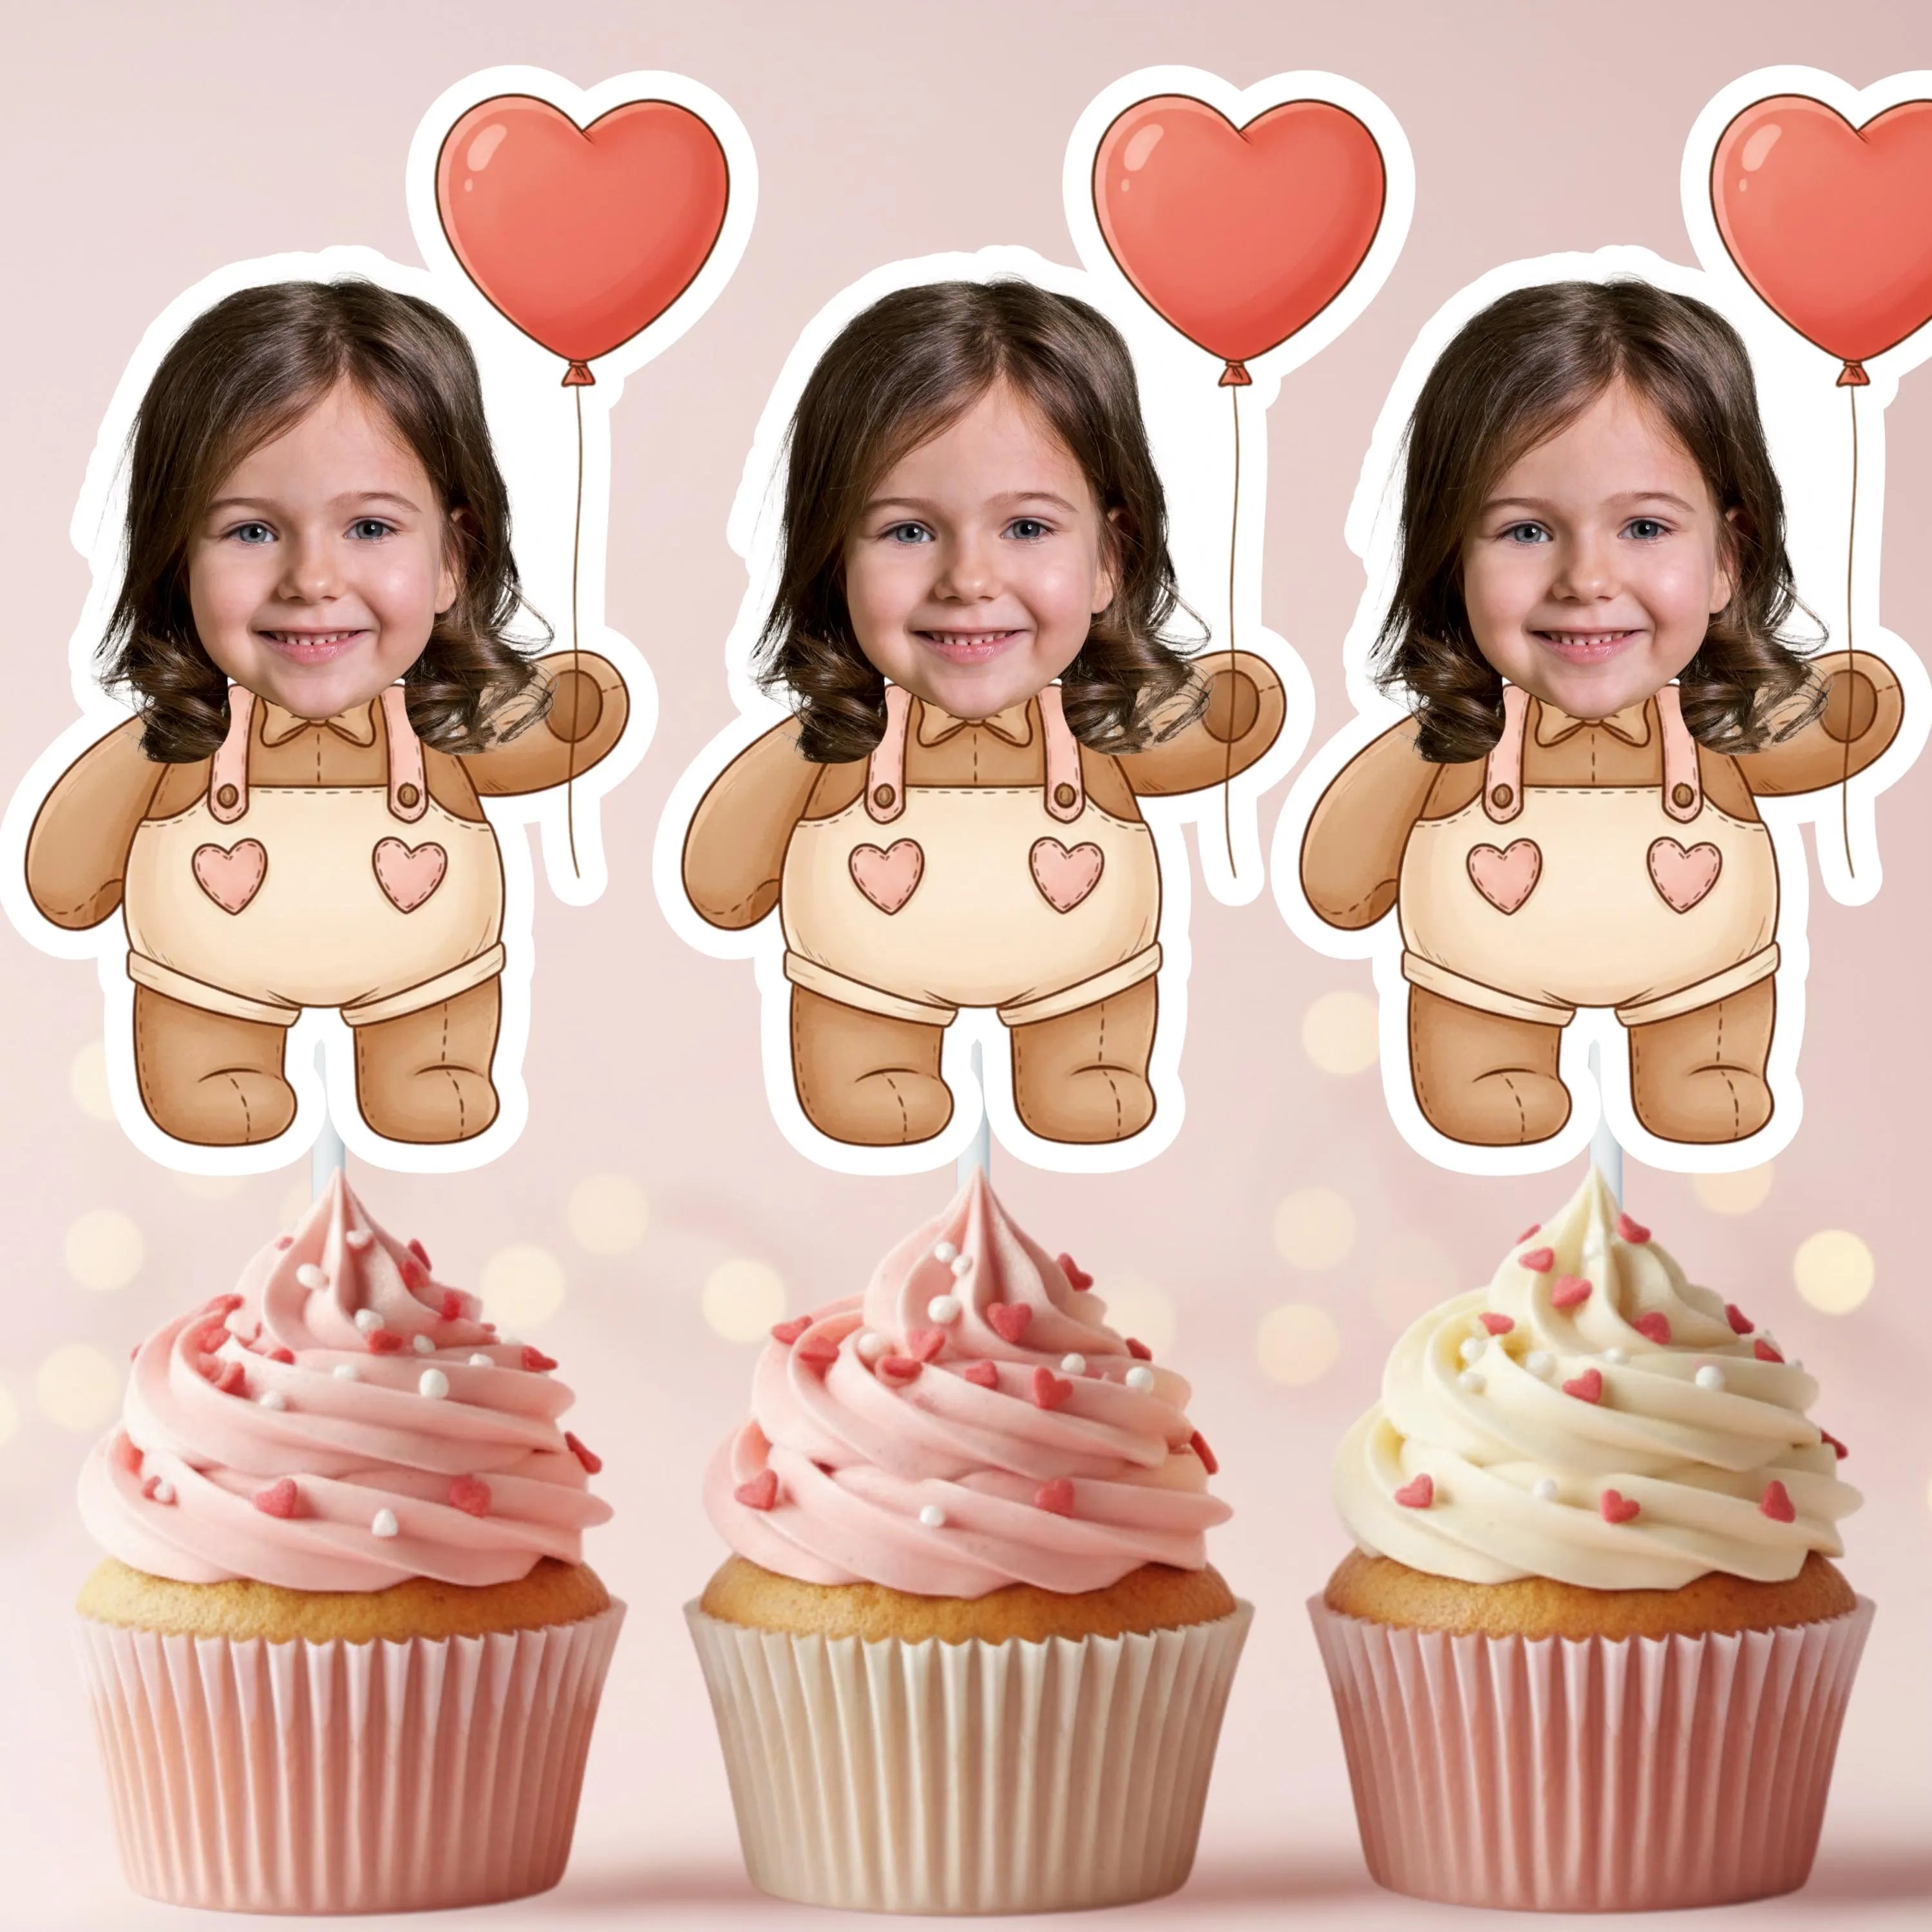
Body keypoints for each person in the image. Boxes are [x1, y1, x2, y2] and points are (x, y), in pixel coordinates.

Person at [25, 279, 629, 1146]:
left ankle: (428, 1062)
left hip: (426, 985)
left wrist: (565, 710)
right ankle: (216, 1060)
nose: (311, 580)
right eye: (251, 532)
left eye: (372, 529)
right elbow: (65, 884)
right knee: (212, 1089)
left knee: (435, 1081)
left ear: (454, 557)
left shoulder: (440, 729)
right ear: (173, 558)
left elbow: (557, 729)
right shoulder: (178, 744)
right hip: (210, 987)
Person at [1300, 279, 1902, 1146]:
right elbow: (1340, 885)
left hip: (1702, 984)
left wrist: (1839, 708)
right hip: (1485, 986)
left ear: (1730, 556)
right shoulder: (1453, 744)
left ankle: (1704, 1060)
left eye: (1647, 529)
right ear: (1448, 556)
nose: (1586, 580)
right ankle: (1490, 1059)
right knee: (1485, 1088)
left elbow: (1838, 725)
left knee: (1710, 1076)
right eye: (1525, 532)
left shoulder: (1716, 729)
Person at [683, 278, 1283, 1146]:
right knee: (869, 1094)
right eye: (907, 532)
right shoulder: (834, 743)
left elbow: (1219, 727)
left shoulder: (1099, 729)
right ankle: (873, 1059)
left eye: (1029, 529)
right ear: (830, 558)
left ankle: (1086, 1060)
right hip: (866, 987)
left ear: (1111, 555)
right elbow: (721, 884)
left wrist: (1218, 709)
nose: (968, 580)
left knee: (1093, 1088)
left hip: (1084, 984)